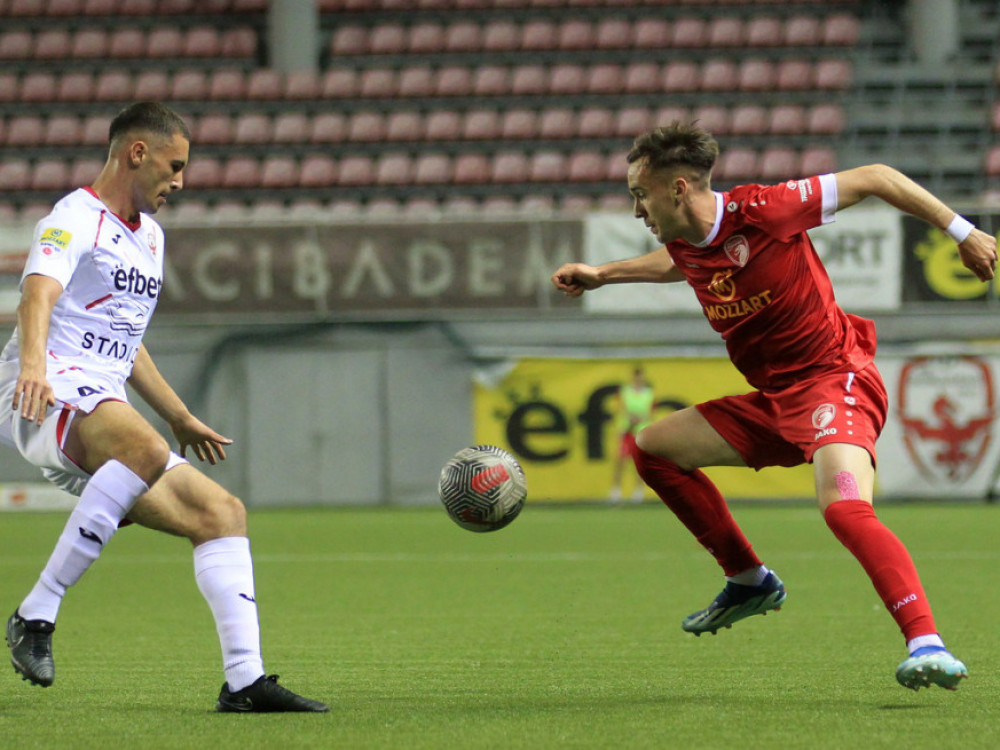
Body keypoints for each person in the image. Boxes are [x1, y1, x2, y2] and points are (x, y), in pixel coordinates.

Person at [552, 122, 998, 691]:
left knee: (842, 507)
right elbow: (677, 261)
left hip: (836, 380)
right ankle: (748, 580)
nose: (637, 209)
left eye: (641, 194)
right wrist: (603, 276)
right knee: (654, 449)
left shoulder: (765, 209)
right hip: (775, 401)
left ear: (679, 188)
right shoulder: (687, 242)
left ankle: (926, 642)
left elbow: (878, 178)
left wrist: (961, 231)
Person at [0, 102, 328, 712]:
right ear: (137, 153)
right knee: (142, 446)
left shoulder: (150, 236)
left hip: (102, 402)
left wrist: (177, 414)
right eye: (175, 167)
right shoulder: (72, 218)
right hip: (45, 393)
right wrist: (37, 367)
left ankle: (244, 682)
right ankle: (35, 615)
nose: (180, 181)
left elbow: (128, 340)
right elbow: (37, 293)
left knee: (221, 512)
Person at [609, 366, 655, 503]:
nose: (638, 379)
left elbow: (651, 412)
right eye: (636, 376)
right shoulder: (625, 392)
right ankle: (615, 492)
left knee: (640, 463)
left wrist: (639, 419)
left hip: (641, 431)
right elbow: (621, 408)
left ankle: (638, 493)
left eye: (640, 376)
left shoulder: (649, 394)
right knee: (621, 461)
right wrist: (631, 418)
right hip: (627, 430)